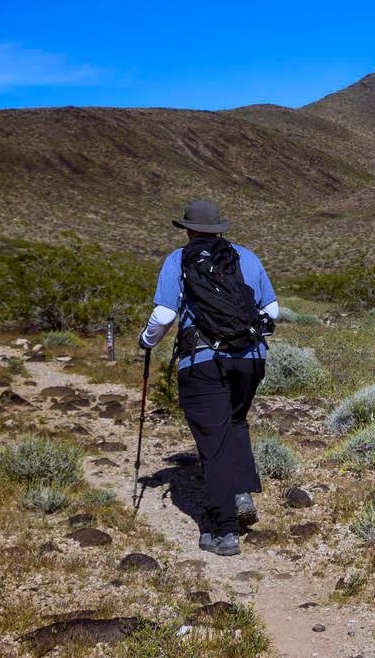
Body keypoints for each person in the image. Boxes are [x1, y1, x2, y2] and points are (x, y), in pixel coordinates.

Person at [138, 199, 279, 556]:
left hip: (202, 361)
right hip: (250, 358)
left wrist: (146, 341)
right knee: (234, 422)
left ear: (188, 229)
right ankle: (240, 490)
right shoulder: (247, 257)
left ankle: (223, 530)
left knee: (213, 444)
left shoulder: (179, 260)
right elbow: (272, 311)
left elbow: (165, 312)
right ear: (220, 228)